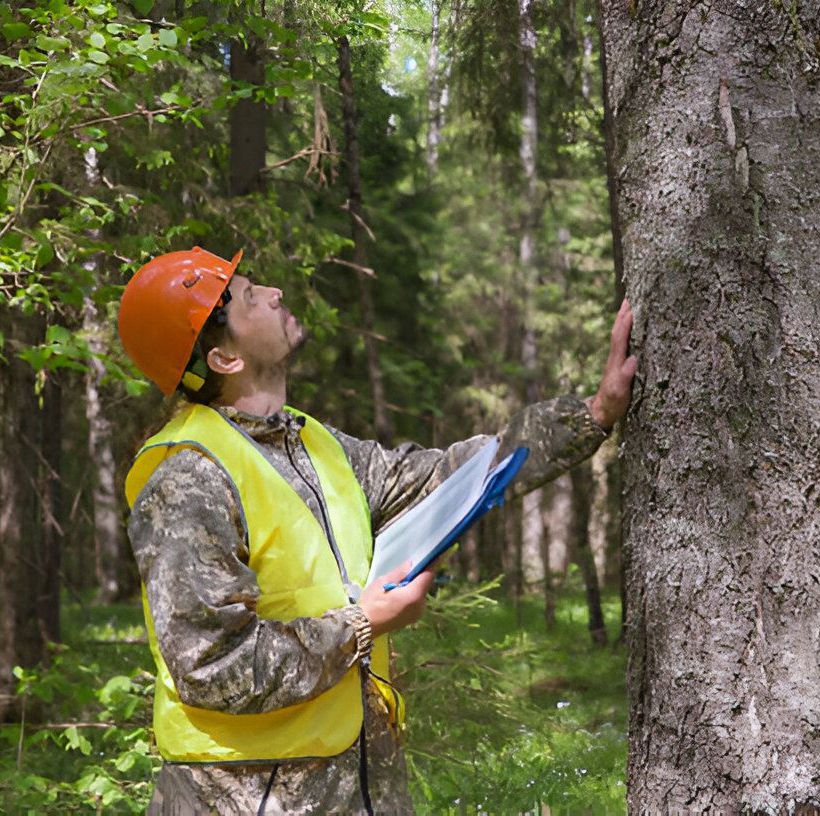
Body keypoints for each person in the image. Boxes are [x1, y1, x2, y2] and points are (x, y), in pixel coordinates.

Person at [118, 247, 637, 815]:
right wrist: (364, 624)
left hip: (358, 784)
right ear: (223, 359)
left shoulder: (314, 444)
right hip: (242, 799)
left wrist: (594, 413)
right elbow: (212, 667)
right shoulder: (187, 478)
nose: (275, 293)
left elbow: (447, 479)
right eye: (249, 297)